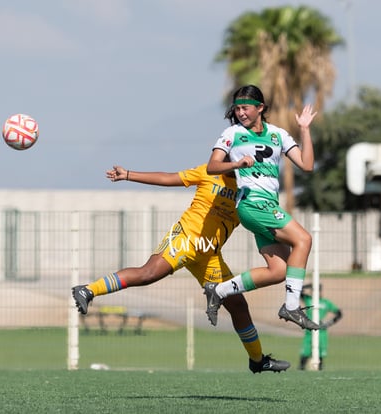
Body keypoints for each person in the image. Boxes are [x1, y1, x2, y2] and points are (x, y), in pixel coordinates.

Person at [72, 163, 290, 374]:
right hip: (184, 240)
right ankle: (88, 290)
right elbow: (168, 178)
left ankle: (258, 360)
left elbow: (262, 218)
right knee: (148, 273)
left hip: (210, 254)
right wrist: (128, 174)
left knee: (238, 305)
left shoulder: (249, 189)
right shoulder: (208, 171)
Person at [204, 84, 320, 330]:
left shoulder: (278, 134)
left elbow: (307, 165)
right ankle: (290, 307)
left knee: (278, 271)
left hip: (267, 206)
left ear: (260, 108)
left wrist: (305, 130)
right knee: (304, 240)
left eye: (245, 108)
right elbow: (212, 167)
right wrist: (236, 165)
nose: (240, 113)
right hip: (252, 203)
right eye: (237, 109)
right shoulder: (232, 134)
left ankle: (219, 290)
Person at [299, 284, 343, 370]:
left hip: (321, 332)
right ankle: (301, 373)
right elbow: (298, 291)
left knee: (320, 356)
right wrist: (309, 285)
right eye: (314, 290)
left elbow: (339, 313)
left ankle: (319, 373)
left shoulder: (326, 302)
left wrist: (327, 324)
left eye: (318, 290)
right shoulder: (308, 299)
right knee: (304, 355)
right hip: (309, 332)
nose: (316, 292)